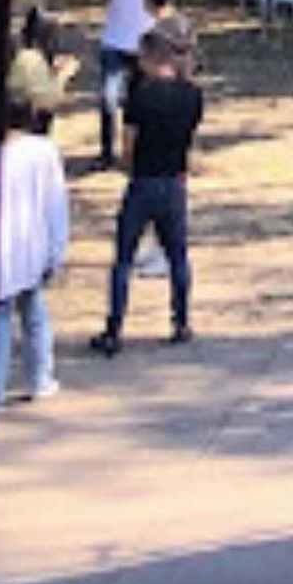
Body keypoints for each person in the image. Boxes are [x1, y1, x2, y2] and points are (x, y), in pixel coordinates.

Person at [87, 29, 203, 353]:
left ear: (152, 58)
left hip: (143, 181)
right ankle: (181, 321)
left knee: (124, 258)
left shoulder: (141, 96)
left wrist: (128, 164)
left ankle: (114, 327)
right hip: (174, 180)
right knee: (178, 255)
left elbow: (128, 145)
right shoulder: (192, 96)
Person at [0, 91, 69, 407]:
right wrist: (57, 248)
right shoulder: (44, 151)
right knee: (34, 313)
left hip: (1, 247)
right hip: (33, 244)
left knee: (0, 320)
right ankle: (40, 378)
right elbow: (56, 202)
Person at [91, 0, 163, 170]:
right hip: (115, 41)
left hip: (145, 43)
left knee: (140, 103)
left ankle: (136, 153)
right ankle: (106, 152)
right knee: (108, 98)